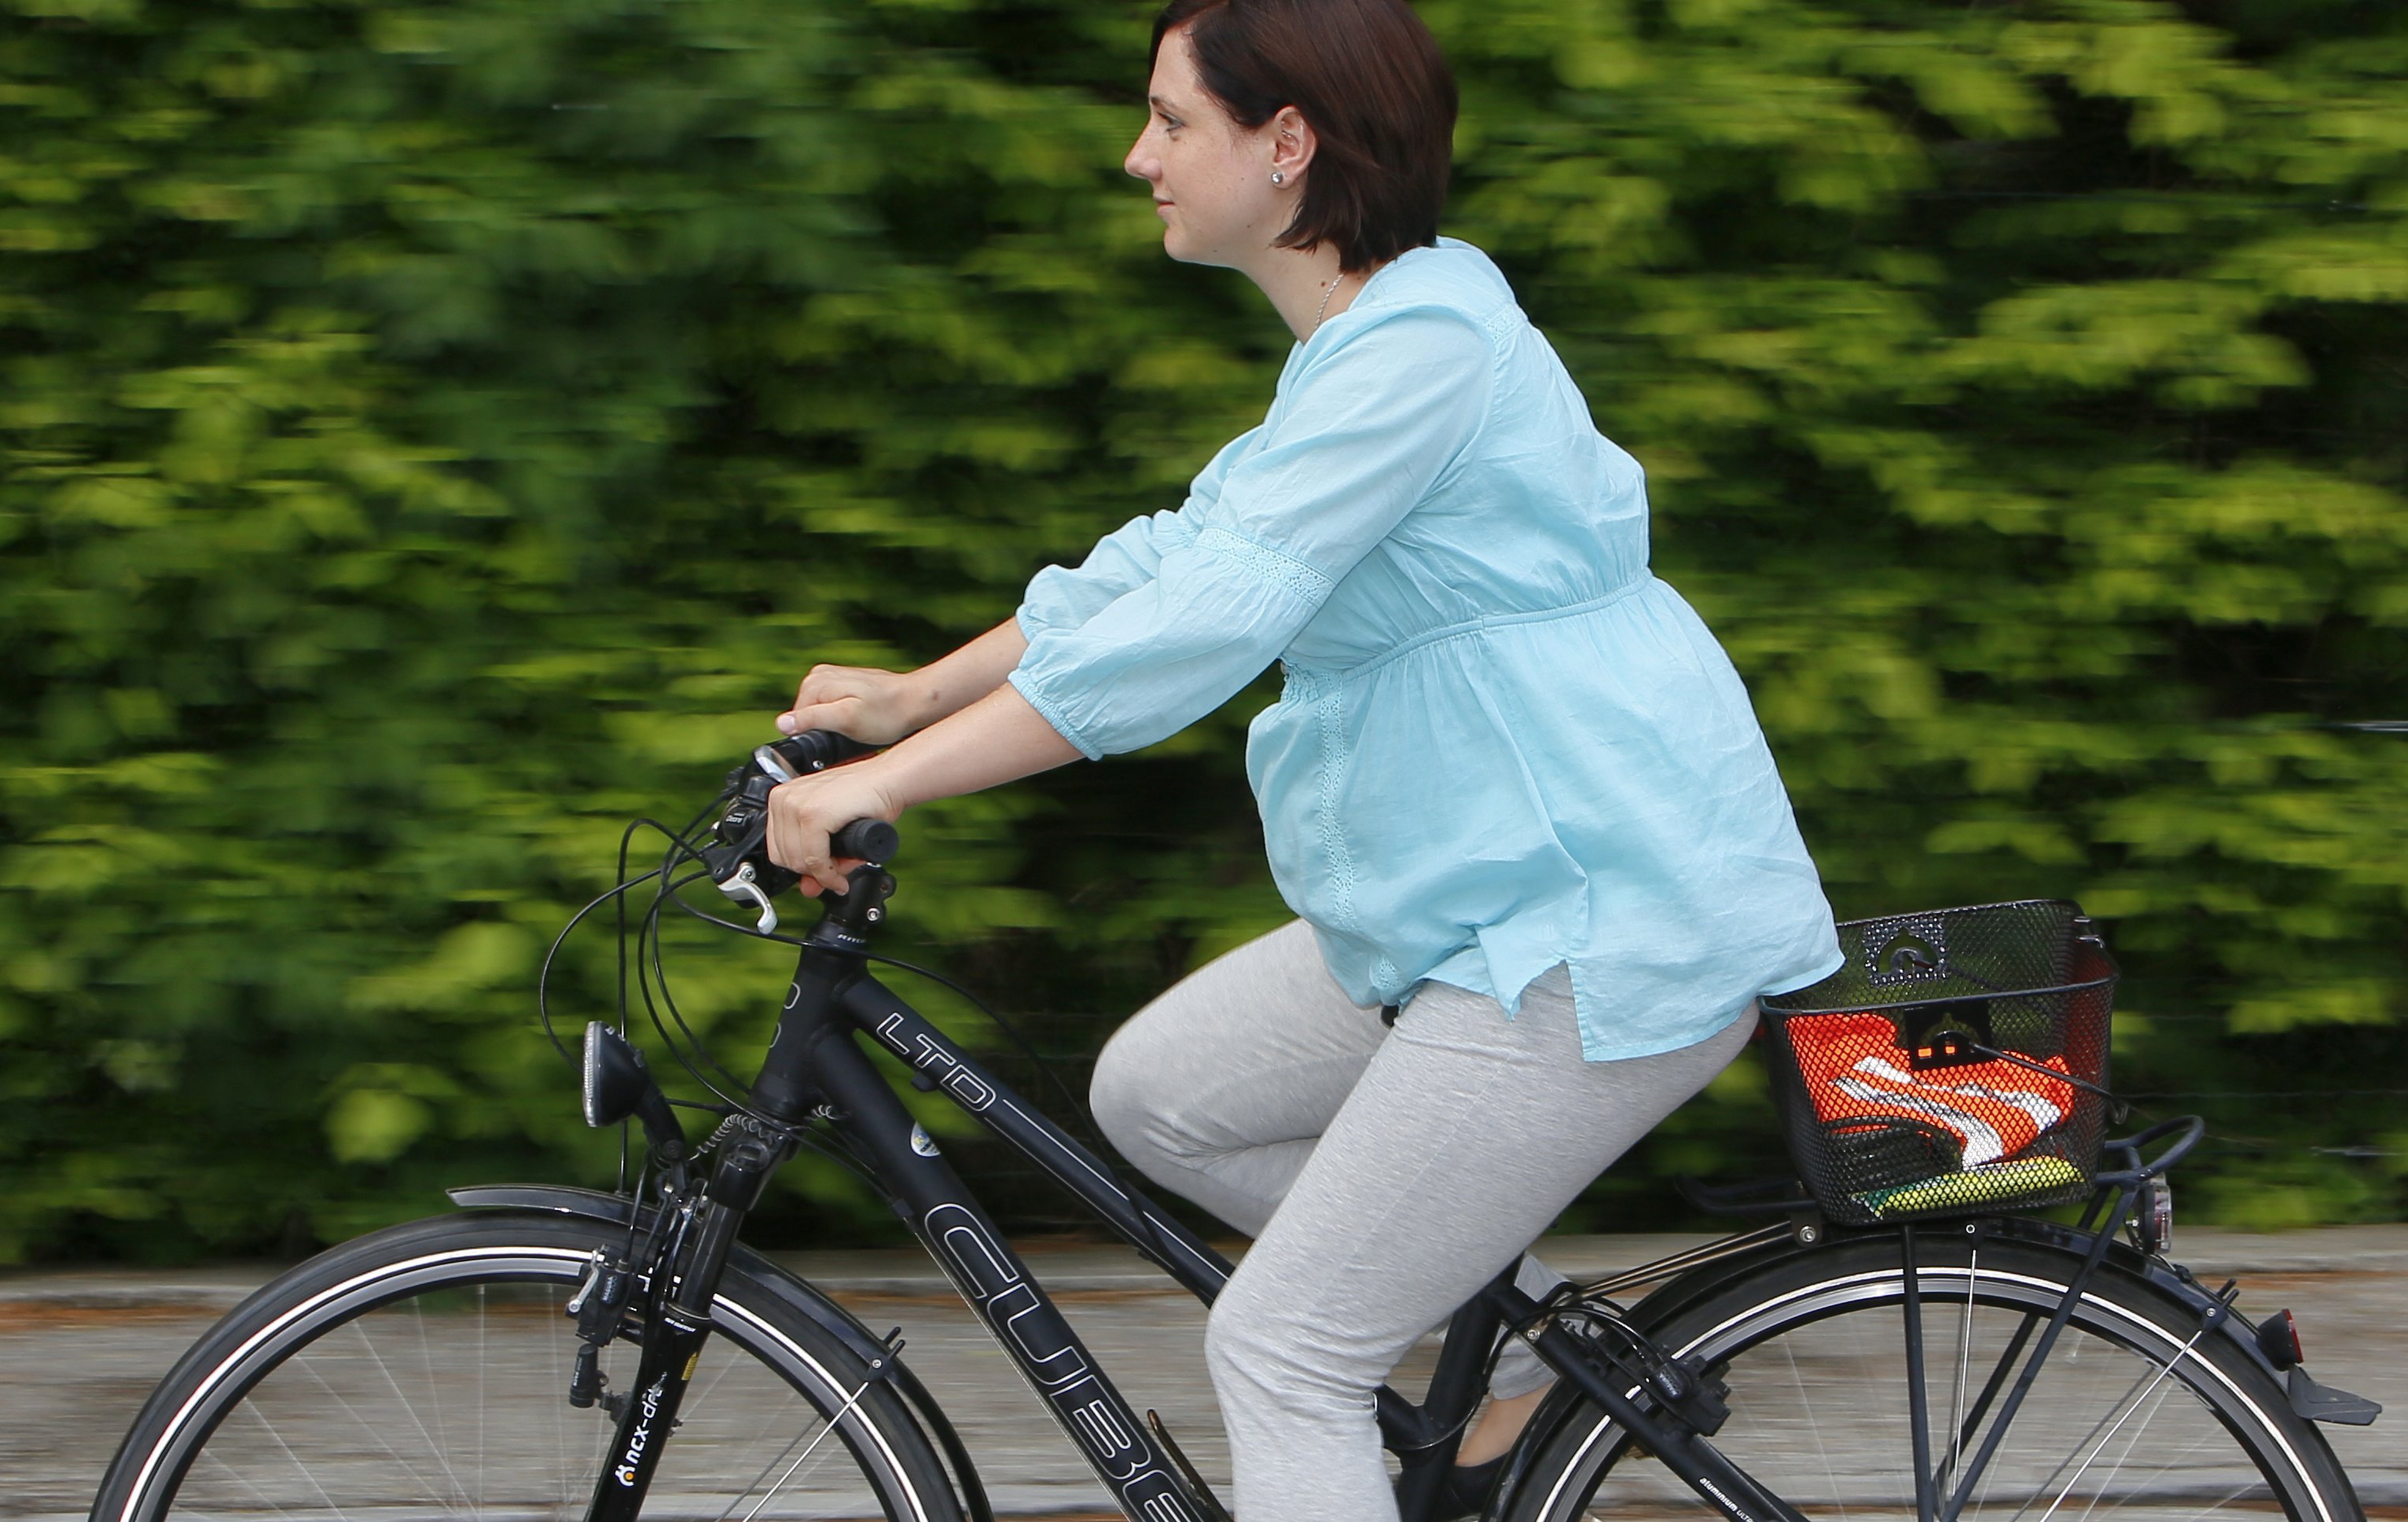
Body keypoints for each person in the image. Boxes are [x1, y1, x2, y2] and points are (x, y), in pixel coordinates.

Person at [761, 0, 1839, 1515]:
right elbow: (1180, 553)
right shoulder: (1375, 339)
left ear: (1287, 146)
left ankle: (1457, 1350)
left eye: (1170, 121)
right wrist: (905, 699)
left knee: (1283, 1350)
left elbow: (1199, 627)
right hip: (1482, 896)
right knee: (1161, 1095)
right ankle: (1519, 1355)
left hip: (1589, 926)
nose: (1137, 154)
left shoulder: (1424, 348)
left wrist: (888, 782)